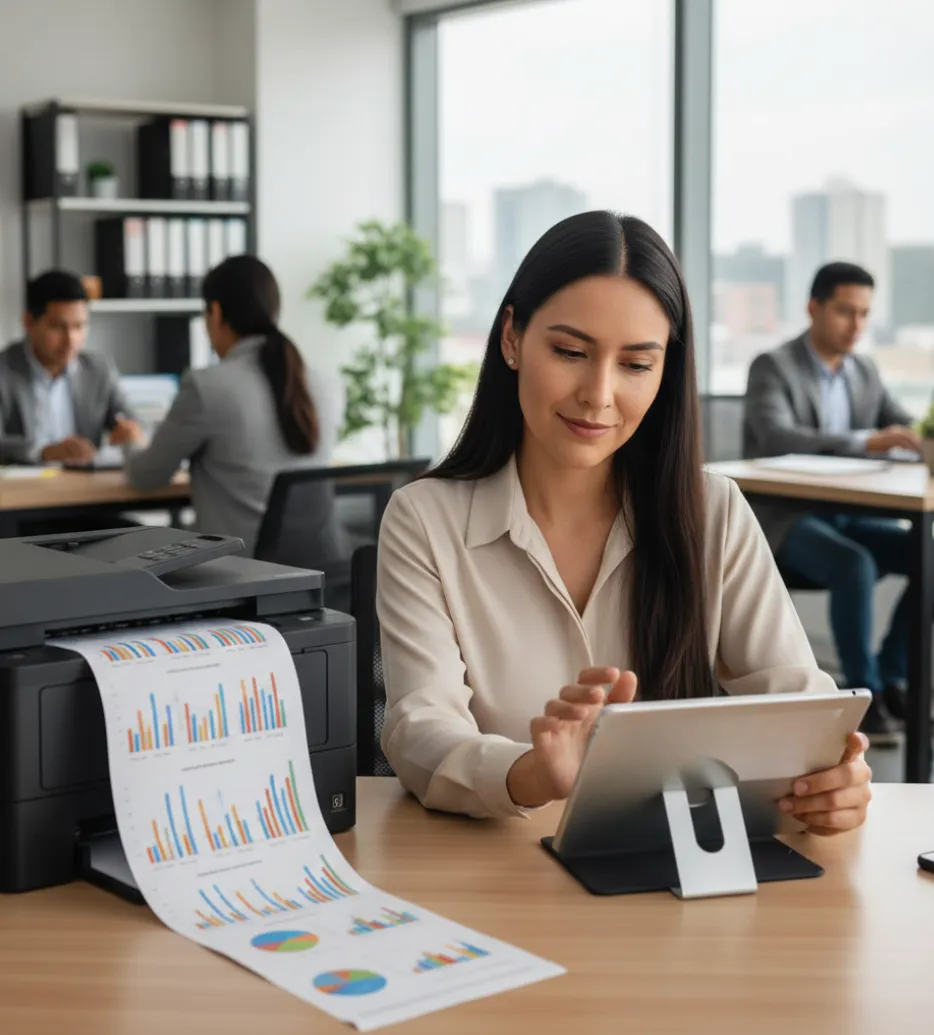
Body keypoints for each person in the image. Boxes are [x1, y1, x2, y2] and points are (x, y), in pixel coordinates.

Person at [376, 211, 871, 833]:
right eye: (569, 352)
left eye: (636, 364)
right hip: (500, 866)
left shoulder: (712, 512)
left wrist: (832, 780)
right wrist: (532, 772)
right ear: (511, 339)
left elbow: (799, 700)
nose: (599, 393)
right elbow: (419, 727)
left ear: (665, 372)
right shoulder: (425, 519)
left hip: (681, 872)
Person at [743, 263, 920, 746]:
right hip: (783, 519)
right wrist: (865, 442)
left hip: (846, 515)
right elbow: (778, 436)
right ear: (814, 307)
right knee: (854, 564)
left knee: (927, 555)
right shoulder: (773, 366)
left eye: (864, 313)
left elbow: (903, 425)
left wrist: (921, 437)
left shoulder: (864, 371)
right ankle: (864, 696)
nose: (856, 325)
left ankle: (893, 678)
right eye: (845, 311)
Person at [124, 255, 343, 556]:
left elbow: (146, 476)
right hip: (320, 569)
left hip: (241, 570)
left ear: (215, 313)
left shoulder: (207, 386)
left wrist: (131, 440)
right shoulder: (327, 384)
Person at [0, 270, 142, 465]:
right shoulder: (4, 371)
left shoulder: (98, 370)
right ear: (29, 322)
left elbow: (131, 420)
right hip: (24, 483)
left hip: (85, 482)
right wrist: (43, 452)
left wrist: (131, 432)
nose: (70, 340)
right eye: (58, 327)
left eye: (79, 326)